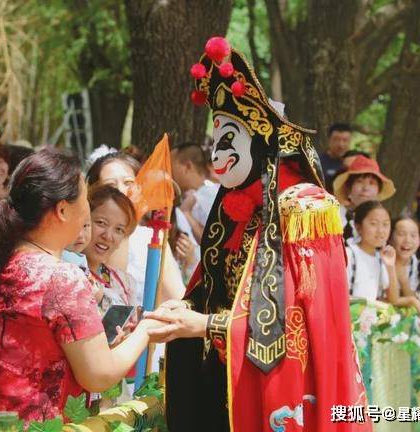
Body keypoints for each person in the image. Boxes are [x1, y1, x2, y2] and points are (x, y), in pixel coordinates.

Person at [152, 37, 369, 431]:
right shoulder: (236, 204)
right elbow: (214, 284)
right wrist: (185, 309)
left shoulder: (304, 209)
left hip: (284, 394)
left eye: (229, 138)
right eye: (216, 138)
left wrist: (205, 326)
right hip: (226, 378)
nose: (217, 154)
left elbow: (296, 326)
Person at [0, 149, 163, 426]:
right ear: (62, 210)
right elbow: (98, 374)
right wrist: (146, 330)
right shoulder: (62, 278)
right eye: (84, 199)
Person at [86, 152, 185, 306]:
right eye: (111, 186)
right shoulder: (82, 237)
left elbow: (177, 297)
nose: (122, 191)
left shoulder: (151, 238)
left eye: (128, 183)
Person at [83, 185, 137, 312]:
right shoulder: (67, 272)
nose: (108, 236)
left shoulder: (124, 283)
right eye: (101, 223)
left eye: (119, 230)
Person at [333, 155, 396, 245]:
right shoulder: (335, 215)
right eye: (359, 181)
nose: (365, 188)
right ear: (349, 188)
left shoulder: (383, 220)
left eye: (372, 183)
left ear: (378, 190)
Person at [345, 201, 396, 302]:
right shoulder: (349, 255)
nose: (381, 231)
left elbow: (393, 299)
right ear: (358, 227)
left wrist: (390, 266)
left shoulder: (381, 258)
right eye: (374, 224)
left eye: (385, 224)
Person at [170, 142, 219, 243]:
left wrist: (186, 213)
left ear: (187, 167)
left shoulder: (209, 193)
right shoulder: (189, 193)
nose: (169, 171)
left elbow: (214, 241)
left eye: (171, 165)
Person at [389, 216, 420, 321]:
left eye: (413, 235)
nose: (407, 240)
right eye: (401, 234)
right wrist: (412, 301)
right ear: (390, 237)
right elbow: (390, 300)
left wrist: (404, 281)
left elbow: (410, 296)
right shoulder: (383, 260)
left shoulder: (414, 261)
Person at [318, 123, 352, 192]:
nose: (341, 145)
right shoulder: (317, 161)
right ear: (329, 140)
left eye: (345, 140)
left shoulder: (353, 162)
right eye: (336, 139)